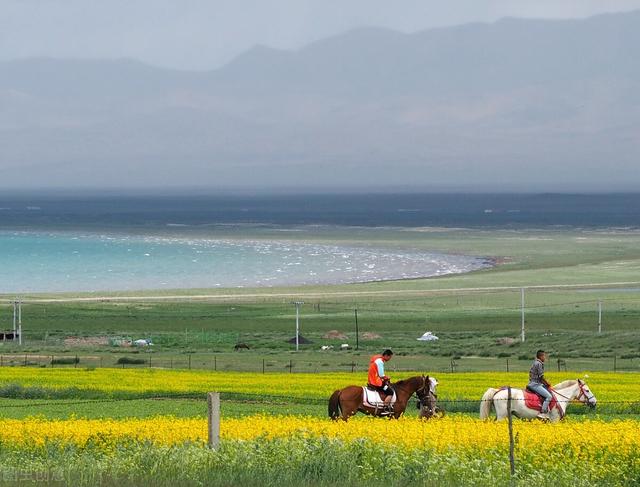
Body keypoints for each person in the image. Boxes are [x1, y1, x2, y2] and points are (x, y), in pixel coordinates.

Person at [528, 349, 553, 418]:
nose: (545, 358)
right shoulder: (539, 364)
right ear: (541, 356)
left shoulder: (535, 363)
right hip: (535, 384)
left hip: (533, 382)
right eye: (544, 356)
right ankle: (543, 412)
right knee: (549, 396)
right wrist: (547, 383)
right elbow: (541, 377)